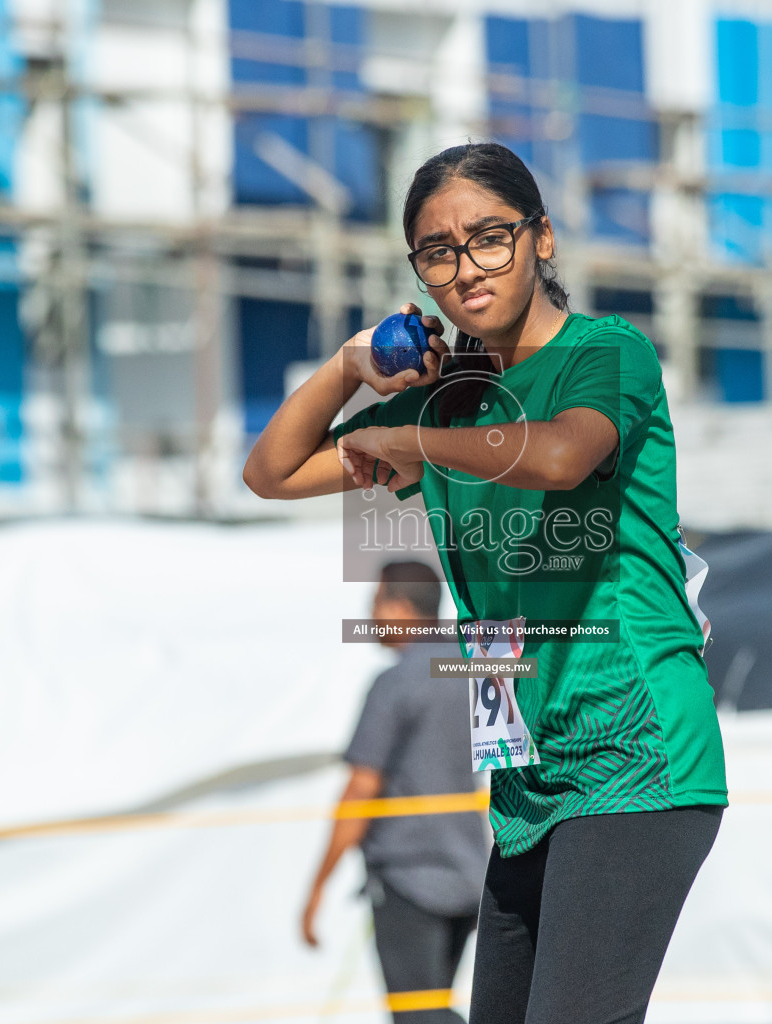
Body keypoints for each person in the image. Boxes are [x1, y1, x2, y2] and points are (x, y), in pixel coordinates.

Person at [246, 141, 728, 1024]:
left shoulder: (606, 351)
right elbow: (271, 473)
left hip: (638, 754)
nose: (466, 267)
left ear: (542, 239)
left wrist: (405, 442)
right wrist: (352, 368)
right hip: (526, 781)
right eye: (438, 250)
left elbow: (557, 455)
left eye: (490, 237)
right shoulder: (447, 405)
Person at [300, 561, 489, 1024]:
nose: (370, 613)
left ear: (400, 608)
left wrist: (317, 888)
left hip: (409, 879)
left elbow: (360, 790)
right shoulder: (477, 669)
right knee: (433, 1008)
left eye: (376, 601)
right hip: (472, 875)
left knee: (418, 1018)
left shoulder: (396, 683)